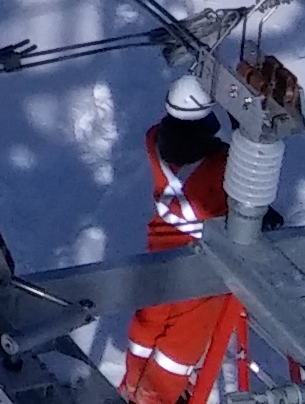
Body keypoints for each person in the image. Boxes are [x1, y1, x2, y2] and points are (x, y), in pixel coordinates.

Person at [118, 71, 250, 403]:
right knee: (181, 343)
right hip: (202, 262)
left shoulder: (154, 144)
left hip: (161, 249)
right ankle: (158, 397)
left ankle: (134, 387)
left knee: (149, 324)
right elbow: (241, 194)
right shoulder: (218, 168)